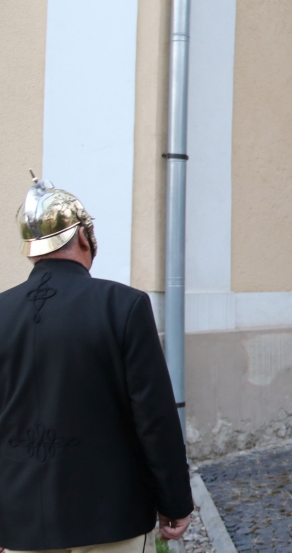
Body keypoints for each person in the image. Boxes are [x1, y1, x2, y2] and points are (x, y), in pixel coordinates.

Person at [0, 175, 193, 553]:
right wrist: (175, 502)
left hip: (24, 521)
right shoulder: (124, 305)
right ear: (84, 238)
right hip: (112, 516)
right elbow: (154, 417)